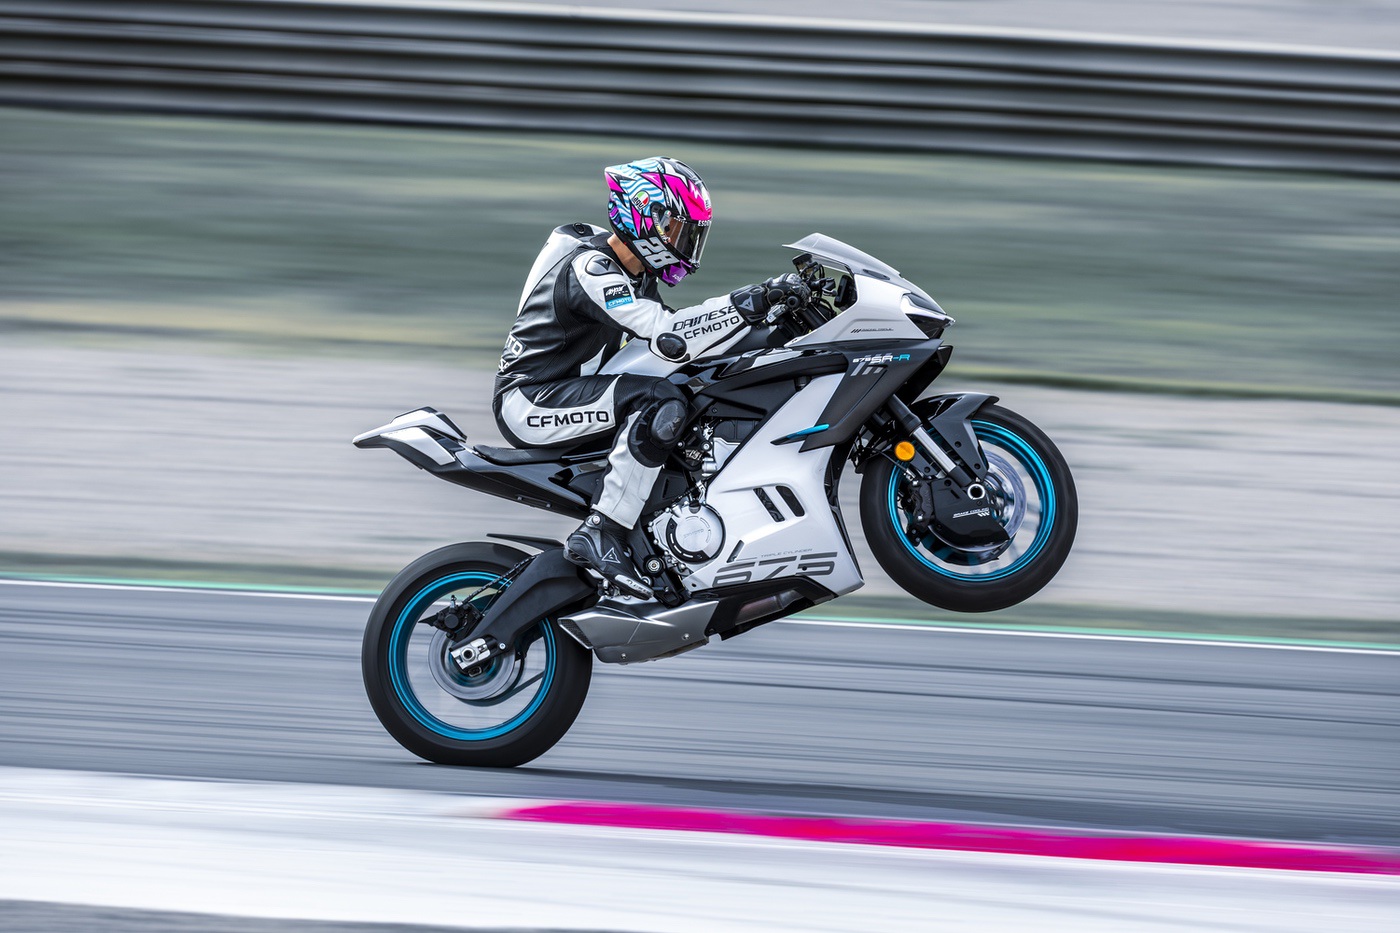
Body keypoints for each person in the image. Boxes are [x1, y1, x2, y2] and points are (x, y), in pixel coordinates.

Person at [492, 156, 807, 598]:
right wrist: (749, 301)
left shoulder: (635, 275)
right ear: (644, 217)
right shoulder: (592, 269)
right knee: (662, 402)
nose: (685, 244)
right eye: (678, 231)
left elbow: (687, 343)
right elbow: (670, 335)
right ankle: (603, 530)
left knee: (691, 390)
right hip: (531, 400)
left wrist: (774, 330)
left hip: (569, 388)